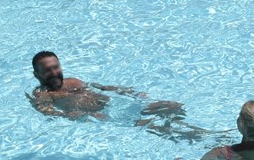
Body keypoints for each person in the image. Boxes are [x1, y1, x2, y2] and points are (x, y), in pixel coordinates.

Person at [28, 51, 184, 122]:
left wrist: (127, 92)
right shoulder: (42, 95)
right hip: (107, 116)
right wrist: (81, 115)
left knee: (174, 107)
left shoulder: (73, 81)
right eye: (47, 70)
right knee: (157, 127)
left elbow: (101, 88)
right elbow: (50, 113)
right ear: (37, 74)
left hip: (116, 104)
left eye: (56, 67)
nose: (54, 73)